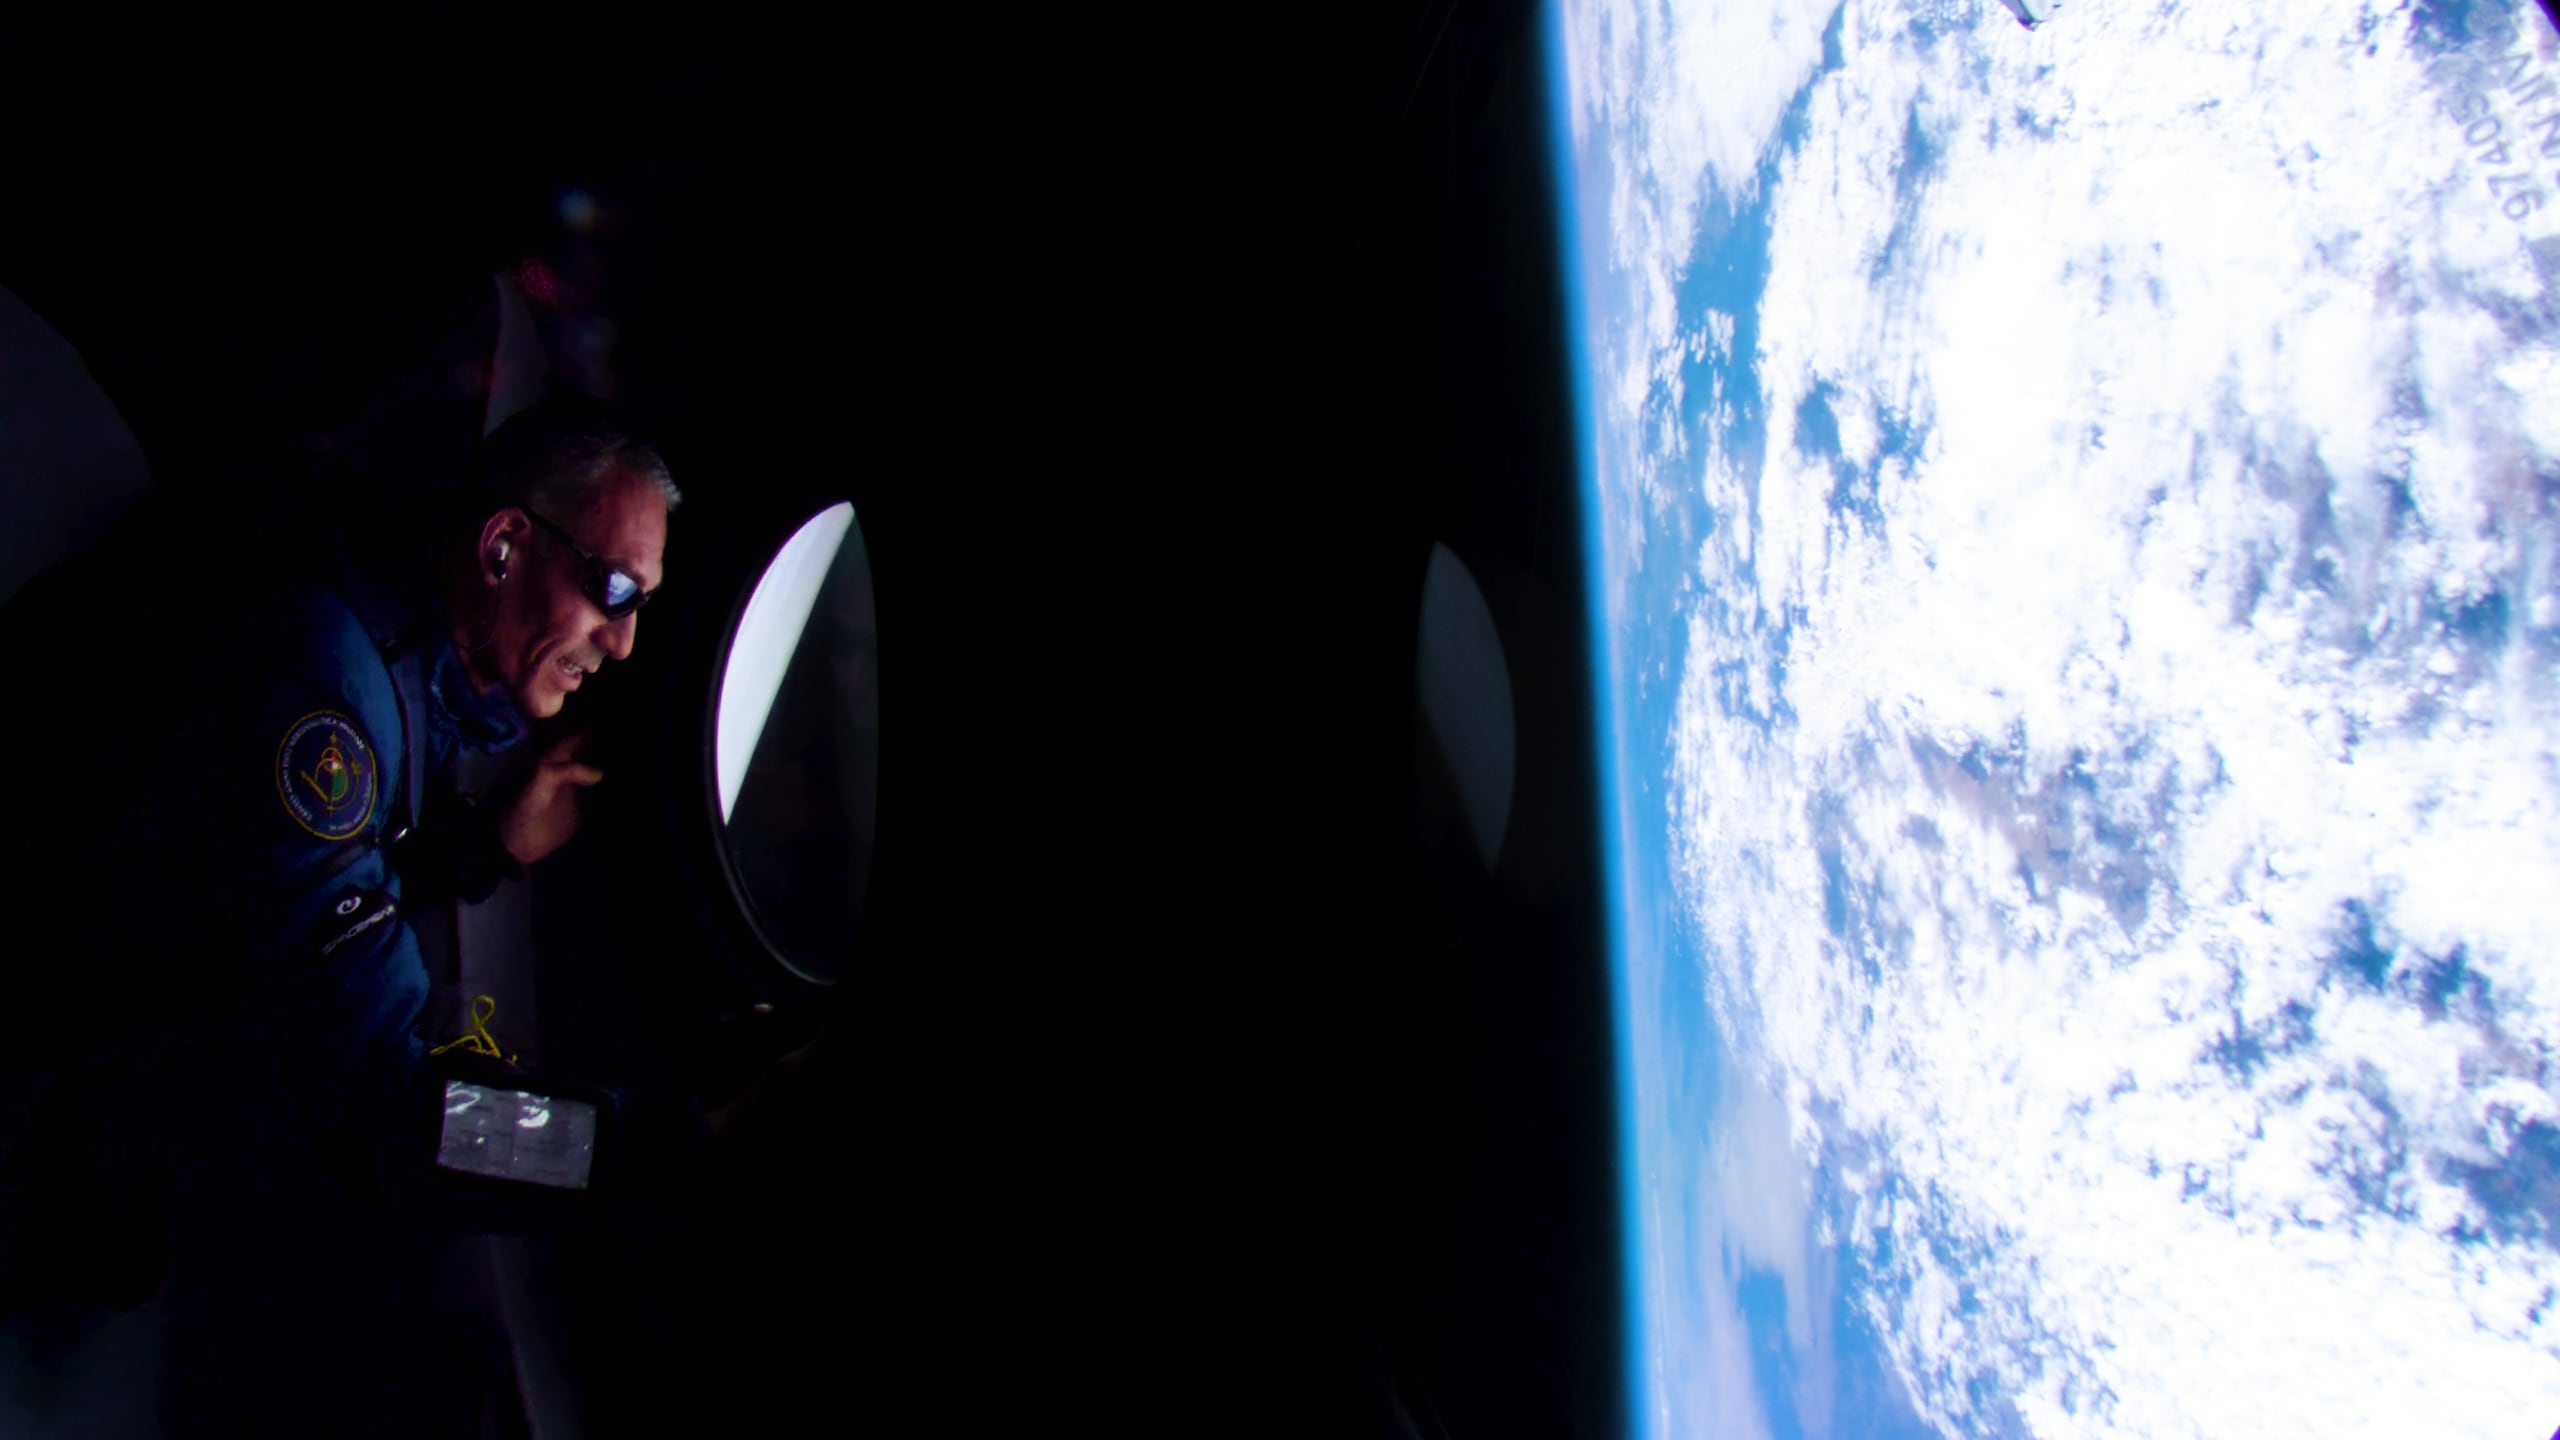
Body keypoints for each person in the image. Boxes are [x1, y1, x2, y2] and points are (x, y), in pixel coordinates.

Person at [0, 396, 711, 1433]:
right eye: (612, 589)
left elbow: (321, 853)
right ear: (506, 542)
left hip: (124, 968)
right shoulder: (328, 685)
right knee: (101, 1245)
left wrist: (482, 848)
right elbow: (394, 1109)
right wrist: (646, 1148)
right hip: (48, 990)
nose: (627, 639)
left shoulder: (401, 630)